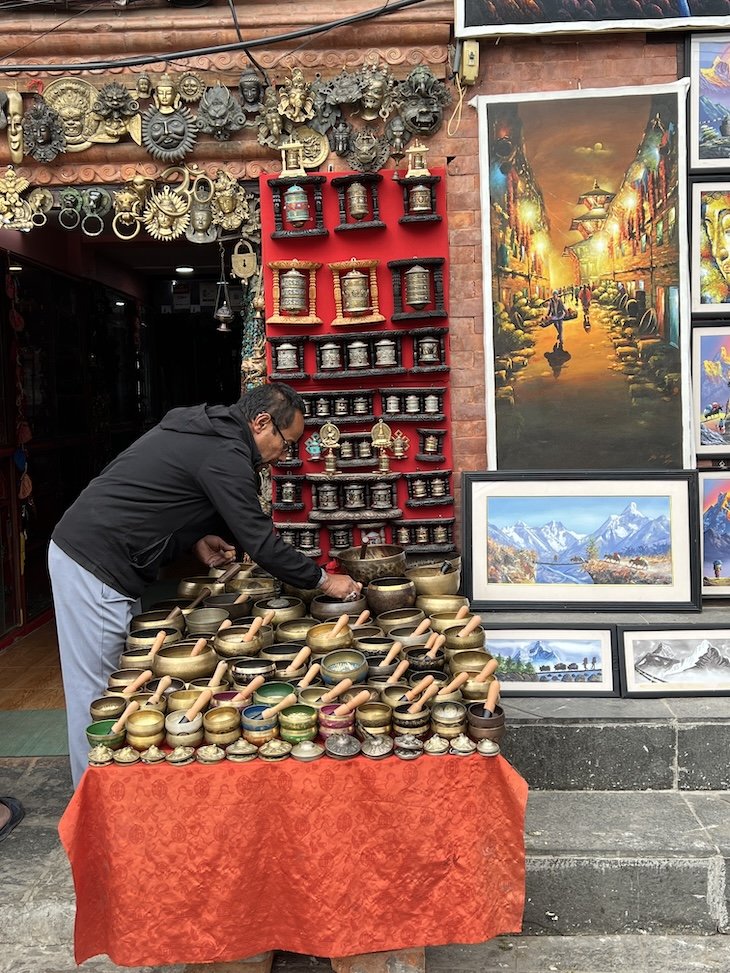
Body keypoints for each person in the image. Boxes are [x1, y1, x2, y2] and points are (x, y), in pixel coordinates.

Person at [48, 383, 362, 788]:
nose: (286, 455)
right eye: (287, 443)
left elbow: (163, 492)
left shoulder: (208, 431)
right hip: (92, 561)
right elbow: (261, 543)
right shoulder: (225, 451)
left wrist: (192, 535)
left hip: (101, 556)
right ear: (262, 422)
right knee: (99, 696)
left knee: (109, 686)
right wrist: (324, 580)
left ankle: (116, 794)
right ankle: (91, 802)